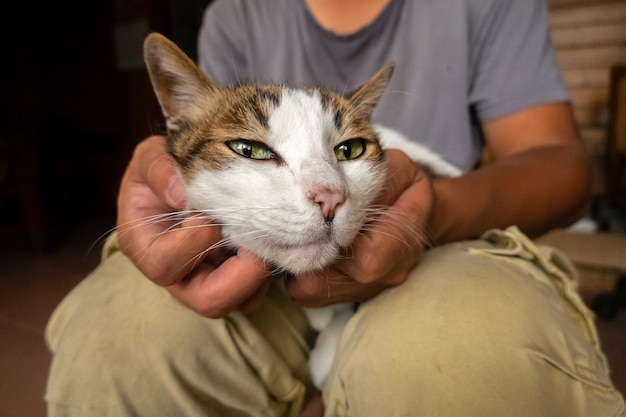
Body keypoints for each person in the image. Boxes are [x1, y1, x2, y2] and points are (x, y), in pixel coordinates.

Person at [45, 0, 625, 416]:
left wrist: (439, 208)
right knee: (114, 345)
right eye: (254, 148)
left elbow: (564, 166)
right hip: (247, 255)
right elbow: (196, 139)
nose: (328, 191)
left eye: (347, 150)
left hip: (443, 224)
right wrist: (162, 166)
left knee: (466, 361)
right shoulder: (235, 14)